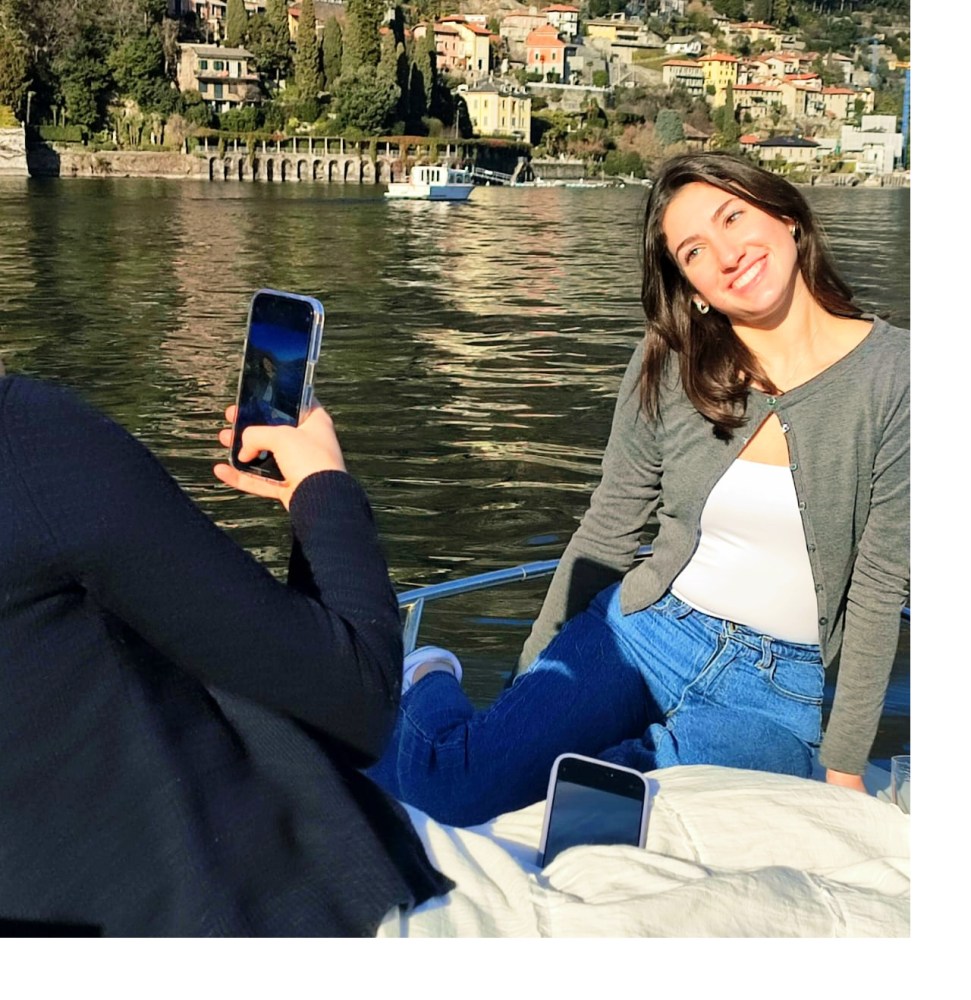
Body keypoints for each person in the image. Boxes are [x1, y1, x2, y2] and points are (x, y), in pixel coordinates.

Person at [367, 152, 910, 829]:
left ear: (786, 217)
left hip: (773, 688)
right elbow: (607, 531)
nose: (726, 253)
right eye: (694, 250)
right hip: (644, 631)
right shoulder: (672, 363)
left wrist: (845, 766)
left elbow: (879, 582)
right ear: (693, 287)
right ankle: (427, 680)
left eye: (732, 216)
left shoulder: (899, 376)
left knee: (602, 821)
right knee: (451, 794)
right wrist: (529, 687)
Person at [0, 365, 452, 935]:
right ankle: (437, 689)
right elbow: (356, 703)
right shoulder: (27, 441)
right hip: (261, 909)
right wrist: (323, 490)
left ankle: (437, 689)